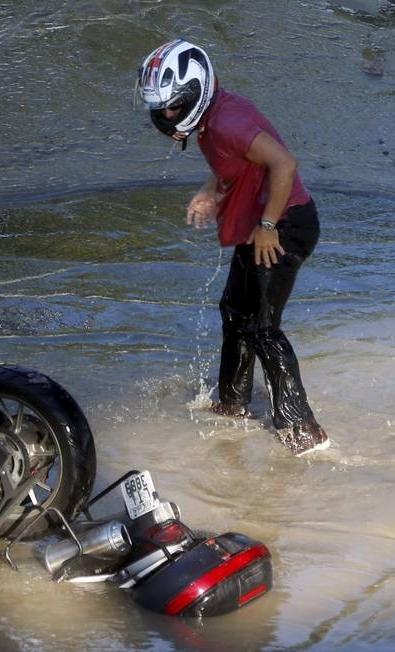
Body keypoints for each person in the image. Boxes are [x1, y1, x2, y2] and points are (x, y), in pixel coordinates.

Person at [136, 38, 329, 455]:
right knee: (234, 312)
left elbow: (284, 163)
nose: (166, 116)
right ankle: (233, 405)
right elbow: (238, 163)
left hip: (285, 224)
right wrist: (212, 189)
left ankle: (303, 430)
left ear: (195, 94)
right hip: (264, 220)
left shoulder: (225, 122)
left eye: (172, 106)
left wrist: (267, 225)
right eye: (161, 109)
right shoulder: (212, 117)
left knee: (263, 326)